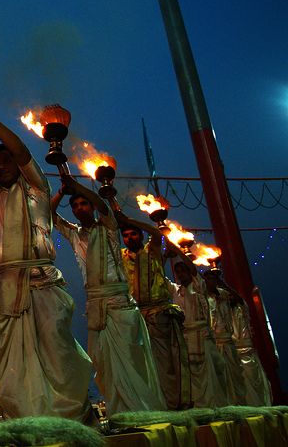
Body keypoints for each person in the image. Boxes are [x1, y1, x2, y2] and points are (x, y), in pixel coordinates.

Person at [0, 110, 94, 423]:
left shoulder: (36, 188)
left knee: (57, 355)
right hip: (3, 291)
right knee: (13, 368)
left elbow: (21, 151)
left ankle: (72, 421)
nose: (1, 167)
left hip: (41, 285)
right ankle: (28, 422)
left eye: (6, 161)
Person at [51, 175, 165, 414]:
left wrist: (76, 185)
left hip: (120, 305)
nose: (80, 208)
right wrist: (62, 191)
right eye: (75, 205)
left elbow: (103, 206)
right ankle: (119, 413)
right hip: (95, 307)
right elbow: (48, 214)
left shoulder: (109, 227)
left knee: (131, 359)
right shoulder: (74, 234)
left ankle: (143, 411)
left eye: (84, 203)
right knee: (104, 364)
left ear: (92, 207)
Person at [115, 208, 192, 410]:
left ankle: (174, 404)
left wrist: (128, 219)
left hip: (159, 314)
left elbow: (157, 233)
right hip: (136, 316)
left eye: (133, 234)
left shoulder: (152, 251)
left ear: (141, 235)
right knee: (144, 364)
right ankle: (155, 405)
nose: (129, 238)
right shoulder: (121, 256)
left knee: (166, 362)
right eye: (125, 235)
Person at [202, 268, 271, 406]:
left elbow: (238, 299)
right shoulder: (206, 300)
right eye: (208, 279)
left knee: (244, 380)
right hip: (220, 346)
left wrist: (222, 283)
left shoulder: (227, 299)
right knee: (226, 381)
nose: (211, 282)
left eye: (213, 279)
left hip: (239, 348)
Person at [169, 257, 229, 407]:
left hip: (202, 336)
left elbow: (194, 270)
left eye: (183, 271)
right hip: (186, 338)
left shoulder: (198, 287)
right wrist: (164, 256)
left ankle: (215, 405)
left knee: (210, 373)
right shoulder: (176, 291)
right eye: (178, 272)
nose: (181, 274)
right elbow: (157, 277)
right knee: (191, 374)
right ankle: (199, 406)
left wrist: (178, 250)